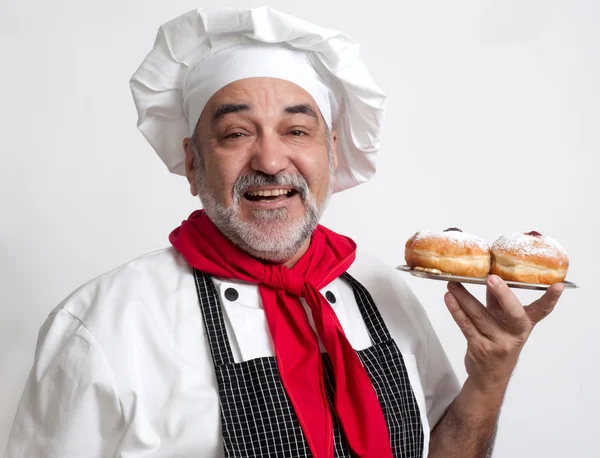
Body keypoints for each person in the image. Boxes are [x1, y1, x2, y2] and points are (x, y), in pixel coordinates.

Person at [4, 6, 563, 458]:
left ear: (331, 153)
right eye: (235, 134)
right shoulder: (106, 324)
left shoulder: (378, 286)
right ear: (193, 162)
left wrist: (491, 377)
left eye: (297, 129)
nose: (271, 161)